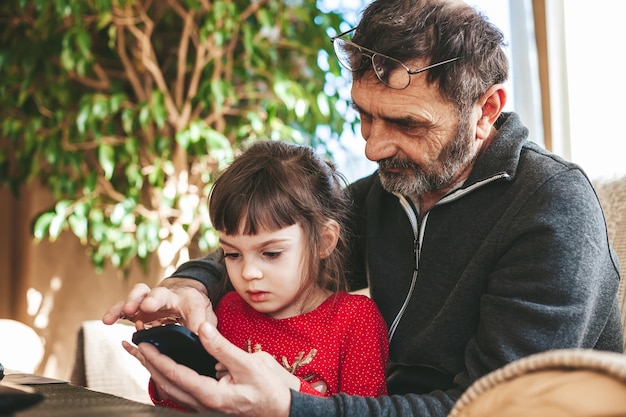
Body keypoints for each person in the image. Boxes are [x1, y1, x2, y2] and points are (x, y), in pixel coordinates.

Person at [103, 0, 623, 416]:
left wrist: (293, 406)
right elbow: (284, 244)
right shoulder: (393, 187)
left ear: (486, 110)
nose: (374, 148)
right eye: (364, 116)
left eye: (408, 124)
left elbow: (492, 408)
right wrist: (189, 285)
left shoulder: (551, 208)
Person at [120, 141, 389, 410]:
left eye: (271, 253)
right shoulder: (226, 312)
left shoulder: (356, 321)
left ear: (324, 241)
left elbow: (364, 412)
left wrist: (293, 393)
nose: (248, 272)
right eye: (232, 254)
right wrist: (170, 374)